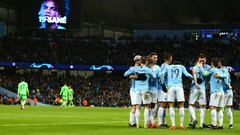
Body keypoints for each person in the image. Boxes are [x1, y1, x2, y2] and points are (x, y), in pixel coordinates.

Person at [159, 62, 193, 129]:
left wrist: (163, 84)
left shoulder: (168, 67)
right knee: (181, 105)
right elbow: (187, 75)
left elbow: (161, 74)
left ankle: (173, 125)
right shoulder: (181, 66)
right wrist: (195, 79)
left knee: (171, 105)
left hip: (171, 87)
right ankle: (181, 125)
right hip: (179, 87)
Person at [125, 56, 156, 128]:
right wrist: (149, 74)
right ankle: (145, 124)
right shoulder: (147, 69)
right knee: (146, 107)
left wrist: (134, 75)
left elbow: (125, 74)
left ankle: (138, 124)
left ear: (140, 61)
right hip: (146, 91)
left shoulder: (135, 69)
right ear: (146, 62)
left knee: (138, 107)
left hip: (137, 91)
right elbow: (154, 77)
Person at [202, 58, 227, 130]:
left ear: (212, 64)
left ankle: (214, 124)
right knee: (219, 109)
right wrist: (220, 76)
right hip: (221, 92)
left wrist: (201, 68)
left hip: (215, 92)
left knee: (212, 107)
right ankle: (220, 125)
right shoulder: (220, 71)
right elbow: (225, 75)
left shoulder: (212, 70)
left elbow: (205, 73)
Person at [188, 53, 211, 129]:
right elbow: (207, 74)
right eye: (201, 59)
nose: (202, 60)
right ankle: (200, 124)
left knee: (191, 105)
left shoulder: (195, 67)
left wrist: (196, 83)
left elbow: (195, 74)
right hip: (202, 88)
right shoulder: (207, 67)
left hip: (195, 88)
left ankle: (193, 120)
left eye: (203, 59)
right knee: (202, 106)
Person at [124, 55, 141, 128]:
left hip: (138, 89)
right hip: (134, 90)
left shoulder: (141, 68)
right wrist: (133, 71)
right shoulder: (132, 68)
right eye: (140, 60)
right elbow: (125, 74)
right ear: (137, 61)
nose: (141, 61)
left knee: (137, 106)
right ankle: (132, 123)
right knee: (134, 106)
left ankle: (133, 123)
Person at [158, 53, 172, 128]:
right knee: (163, 104)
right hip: (164, 88)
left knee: (165, 105)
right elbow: (161, 75)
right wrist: (163, 85)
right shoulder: (165, 66)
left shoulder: (164, 65)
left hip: (165, 87)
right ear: (169, 58)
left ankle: (164, 122)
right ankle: (160, 123)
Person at [147, 52, 161, 128]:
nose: (155, 59)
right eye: (154, 58)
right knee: (147, 106)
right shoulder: (146, 66)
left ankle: (151, 122)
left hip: (155, 89)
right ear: (150, 58)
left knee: (153, 106)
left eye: (156, 58)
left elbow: (159, 77)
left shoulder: (158, 68)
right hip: (146, 89)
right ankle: (151, 122)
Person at [219, 60, 234, 128]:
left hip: (225, 91)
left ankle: (220, 124)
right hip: (230, 92)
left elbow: (225, 79)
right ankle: (231, 124)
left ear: (220, 63)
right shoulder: (227, 70)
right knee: (228, 108)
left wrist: (228, 85)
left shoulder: (222, 70)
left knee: (221, 108)